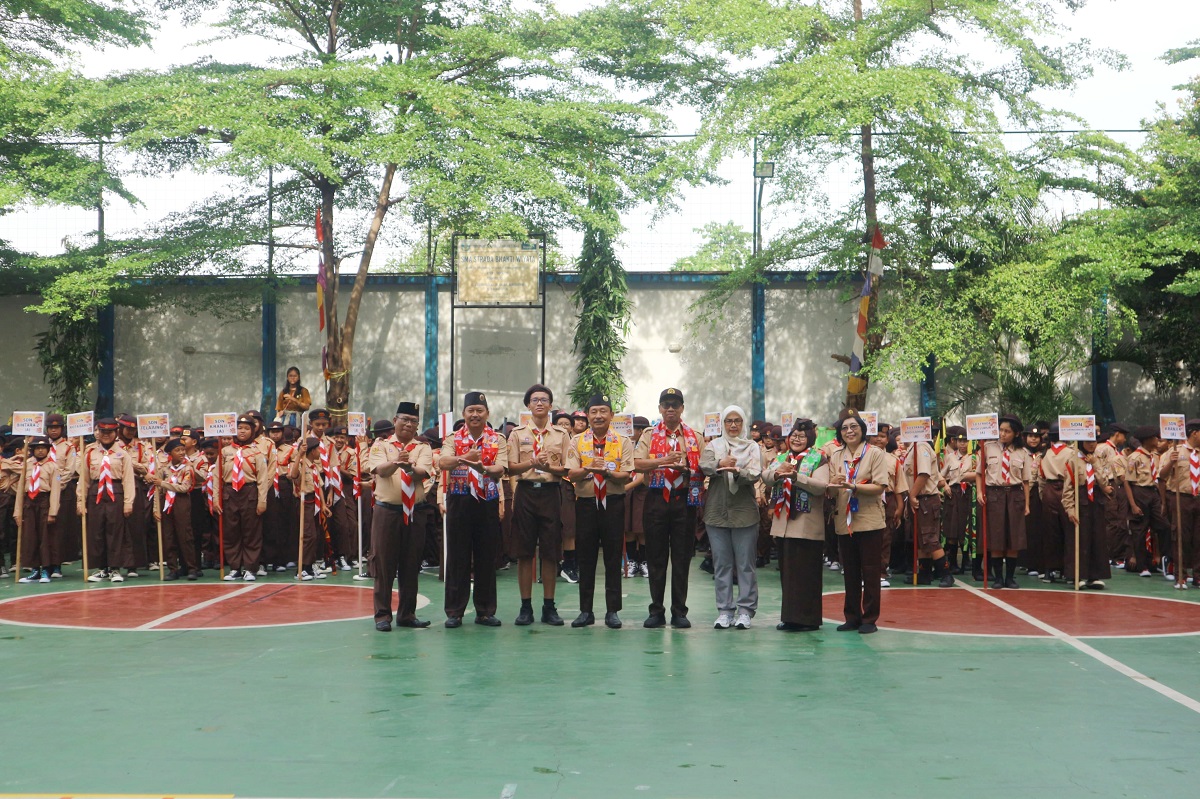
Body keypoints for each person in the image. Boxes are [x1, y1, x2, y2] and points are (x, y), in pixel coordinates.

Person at [633, 387, 704, 629]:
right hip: (656, 498)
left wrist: (687, 468)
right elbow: (637, 463)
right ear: (660, 409)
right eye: (666, 404)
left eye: (675, 404)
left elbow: (705, 468)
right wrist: (663, 461)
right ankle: (656, 610)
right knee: (656, 556)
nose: (671, 409)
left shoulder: (694, 436)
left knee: (682, 557)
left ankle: (679, 611)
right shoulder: (649, 435)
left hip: (684, 499)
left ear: (682, 408)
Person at [438, 391, 508, 627]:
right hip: (459, 500)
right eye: (471, 411)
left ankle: (485, 611)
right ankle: (454, 612)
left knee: (486, 556)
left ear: (487, 413)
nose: (475, 415)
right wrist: (465, 458)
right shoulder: (452, 438)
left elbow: (501, 468)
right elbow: (443, 462)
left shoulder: (497, 439)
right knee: (457, 556)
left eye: (480, 411)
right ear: (464, 414)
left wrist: (484, 468)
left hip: (486, 501)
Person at [565, 393, 635, 628]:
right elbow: (570, 474)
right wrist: (589, 468)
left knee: (613, 557)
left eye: (603, 411)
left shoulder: (623, 441)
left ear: (611, 415)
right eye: (593, 412)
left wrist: (607, 473)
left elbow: (626, 475)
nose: (598, 416)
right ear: (587, 415)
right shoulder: (577, 441)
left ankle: (612, 611)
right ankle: (586, 611)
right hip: (585, 503)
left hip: (613, 502)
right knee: (586, 558)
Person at [506, 384, 570, 626]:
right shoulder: (517, 434)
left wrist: (547, 468)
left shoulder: (561, 435)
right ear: (528, 405)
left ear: (551, 406)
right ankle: (525, 607)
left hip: (551, 493)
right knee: (524, 552)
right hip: (526, 493)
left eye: (544, 399)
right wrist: (532, 463)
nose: (540, 403)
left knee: (551, 553)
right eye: (535, 400)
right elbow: (511, 467)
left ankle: (549, 607)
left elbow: (566, 468)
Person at [367, 405, 435, 631]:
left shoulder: (423, 447)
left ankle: (407, 614)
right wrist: (397, 461)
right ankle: (382, 615)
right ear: (395, 420)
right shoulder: (381, 445)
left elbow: (421, 474)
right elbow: (380, 471)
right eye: (404, 420)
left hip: (414, 511)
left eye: (413, 421)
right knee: (384, 563)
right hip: (387, 511)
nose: (408, 424)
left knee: (411, 563)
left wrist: (409, 466)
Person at [827, 409, 890, 634]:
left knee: (871, 571)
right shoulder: (836, 455)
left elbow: (880, 486)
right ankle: (852, 616)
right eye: (844, 428)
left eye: (854, 427)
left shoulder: (874, 453)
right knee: (850, 571)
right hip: (845, 520)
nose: (849, 431)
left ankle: (869, 619)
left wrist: (854, 486)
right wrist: (833, 484)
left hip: (869, 519)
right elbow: (831, 492)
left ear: (863, 430)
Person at [764, 419, 830, 631]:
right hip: (783, 523)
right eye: (793, 436)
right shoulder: (782, 457)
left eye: (802, 437)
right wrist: (776, 473)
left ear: (810, 438)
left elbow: (821, 487)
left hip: (806, 525)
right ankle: (790, 617)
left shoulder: (819, 458)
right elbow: (765, 477)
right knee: (788, 573)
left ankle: (808, 619)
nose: (797, 439)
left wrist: (797, 477)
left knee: (806, 573)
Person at [700, 405, 763, 629]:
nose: (733, 425)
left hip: (744, 512)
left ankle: (745, 610)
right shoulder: (713, 446)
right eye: (729, 421)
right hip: (717, 513)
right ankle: (725, 610)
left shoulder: (752, 446)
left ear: (743, 423)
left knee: (745, 564)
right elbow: (704, 465)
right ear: (723, 424)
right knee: (722, 564)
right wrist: (720, 464)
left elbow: (756, 473)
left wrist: (739, 472)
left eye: (737, 420)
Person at [976, 415, 1032, 589]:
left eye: (1007, 431)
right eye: (1001, 430)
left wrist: (1027, 504)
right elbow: (979, 473)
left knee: (1014, 537)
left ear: (1016, 433)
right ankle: (998, 578)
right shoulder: (988, 448)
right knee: (996, 537)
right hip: (994, 495)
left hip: (1015, 495)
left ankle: (1010, 577)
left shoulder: (1023, 453)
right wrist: (979, 491)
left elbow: (1026, 481)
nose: (1003, 434)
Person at [77, 418, 136, 582]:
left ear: (116, 433)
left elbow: (128, 480)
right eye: (102, 432)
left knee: (115, 531)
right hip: (95, 493)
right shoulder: (89, 453)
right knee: (96, 531)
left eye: (109, 432)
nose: (106, 435)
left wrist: (128, 502)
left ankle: (115, 568)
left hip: (115, 492)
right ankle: (101, 568)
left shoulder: (123, 454)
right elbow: (84, 479)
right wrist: (80, 501)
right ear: (98, 433)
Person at [214, 415, 270, 581]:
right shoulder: (224, 452)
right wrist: (216, 499)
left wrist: (262, 501)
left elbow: (262, 479)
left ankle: (250, 568)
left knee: (251, 533)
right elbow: (217, 477)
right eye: (239, 428)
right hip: (230, 493)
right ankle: (235, 568)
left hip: (249, 493)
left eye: (246, 428)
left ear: (253, 431)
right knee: (231, 532)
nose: (242, 432)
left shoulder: (257, 452)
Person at [1062, 438, 1114, 589]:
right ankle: (1076, 575)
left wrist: (1096, 464)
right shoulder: (1073, 460)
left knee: (1097, 538)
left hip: (1096, 501)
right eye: (1088, 441)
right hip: (1080, 499)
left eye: (1094, 441)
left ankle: (1094, 575)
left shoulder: (1098, 459)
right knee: (1079, 538)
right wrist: (1070, 508)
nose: (1092, 444)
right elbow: (1068, 487)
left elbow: (1104, 483)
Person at [908, 431, 955, 588]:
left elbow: (924, 473)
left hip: (925, 499)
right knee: (921, 540)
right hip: (921, 499)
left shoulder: (921, 447)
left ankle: (946, 574)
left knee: (929, 537)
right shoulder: (912, 448)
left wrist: (912, 495)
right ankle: (925, 574)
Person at [1157, 419, 1200, 588]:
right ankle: (1180, 575)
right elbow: (1162, 476)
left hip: (1199, 498)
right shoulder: (1175, 451)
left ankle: (1197, 575)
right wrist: (1171, 462)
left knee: (1198, 538)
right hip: (1181, 498)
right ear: (1195, 433)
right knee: (1181, 537)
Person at [150, 439, 200, 580]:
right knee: (168, 537)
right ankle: (173, 568)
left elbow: (184, 487)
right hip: (166, 504)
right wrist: (156, 509)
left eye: (183, 450)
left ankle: (191, 567)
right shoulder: (164, 470)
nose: (182, 453)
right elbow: (157, 491)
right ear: (170, 453)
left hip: (181, 502)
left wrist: (163, 483)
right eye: (177, 450)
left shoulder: (187, 468)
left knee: (185, 535)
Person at [14, 437, 61, 583]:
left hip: (44, 501)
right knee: (30, 536)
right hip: (29, 502)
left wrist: (53, 511)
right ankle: (35, 569)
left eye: (43, 448)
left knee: (45, 536)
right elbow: (21, 488)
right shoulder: (27, 465)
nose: (40, 450)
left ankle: (47, 569)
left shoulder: (53, 466)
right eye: (36, 448)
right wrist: (17, 511)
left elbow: (56, 490)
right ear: (32, 450)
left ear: (48, 449)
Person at [1128, 426, 1170, 576]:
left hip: (1153, 492)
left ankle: (1166, 560)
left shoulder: (1154, 457)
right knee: (1139, 530)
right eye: (1154, 438)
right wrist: (1133, 504)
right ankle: (1143, 566)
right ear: (1147, 440)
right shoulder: (1134, 458)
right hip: (1139, 491)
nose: (1157, 440)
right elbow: (1128, 482)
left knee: (1164, 526)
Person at [289, 436, 330, 580]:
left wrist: (324, 505)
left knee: (315, 535)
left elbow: (319, 487)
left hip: (315, 502)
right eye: (318, 449)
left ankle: (310, 566)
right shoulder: (301, 464)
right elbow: (293, 475)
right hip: (304, 502)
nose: (320, 451)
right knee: (307, 535)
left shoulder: (314, 466)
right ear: (312, 451)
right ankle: (302, 568)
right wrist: (299, 454)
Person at [45, 414, 80, 575]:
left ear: (62, 429)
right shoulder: (40, 446)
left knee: (60, 528)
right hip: (44, 492)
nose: (53, 430)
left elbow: (69, 470)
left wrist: (57, 485)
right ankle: (44, 563)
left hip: (63, 491)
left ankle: (57, 564)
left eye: (57, 427)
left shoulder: (68, 448)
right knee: (44, 528)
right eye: (51, 428)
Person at [1096, 424, 1133, 569]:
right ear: (1117, 434)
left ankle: (1114, 554)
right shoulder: (1103, 448)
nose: (1125, 439)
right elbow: (1096, 468)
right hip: (1107, 484)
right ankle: (1108, 555)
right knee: (1111, 521)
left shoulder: (1115, 450)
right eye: (1123, 435)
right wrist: (1103, 486)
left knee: (1118, 521)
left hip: (1116, 485)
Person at [939, 426, 975, 574]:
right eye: (960, 441)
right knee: (952, 529)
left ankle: (967, 561)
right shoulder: (950, 457)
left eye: (966, 441)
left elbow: (981, 475)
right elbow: (940, 475)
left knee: (966, 529)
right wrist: (945, 485)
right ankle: (953, 563)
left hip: (968, 494)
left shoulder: (975, 457)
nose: (963, 444)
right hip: (953, 494)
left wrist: (967, 477)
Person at [624, 416, 651, 578]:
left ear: (640, 431)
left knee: (641, 529)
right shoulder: (624, 445)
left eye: (631, 429)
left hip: (641, 492)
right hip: (626, 493)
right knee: (628, 529)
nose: (628, 433)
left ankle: (644, 561)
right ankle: (632, 561)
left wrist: (626, 487)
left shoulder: (647, 446)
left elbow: (642, 475)